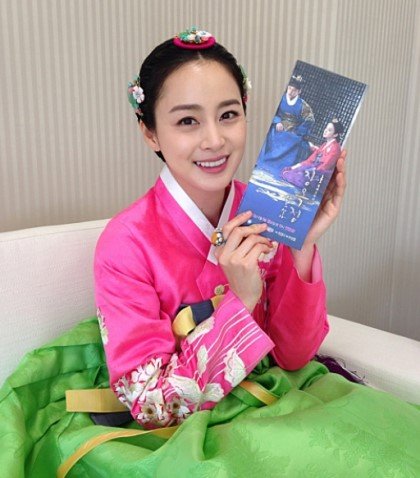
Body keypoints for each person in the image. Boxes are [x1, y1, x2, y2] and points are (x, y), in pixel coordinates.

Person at [90, 27, 420, 477]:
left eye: (228, 115)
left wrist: (302, 245)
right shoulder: (126, 242)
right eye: (187, 121)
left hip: (282, 400)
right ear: (150, 132)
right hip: (192, 435)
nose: (214, 140)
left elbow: (294, 356)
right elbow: (153, 408)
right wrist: (242, 301)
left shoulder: (267, 206)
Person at [262, 74, 315, 167]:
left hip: (292, 130)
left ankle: (282, 164)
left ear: (299, 91)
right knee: (269, 133)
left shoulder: (303, 105)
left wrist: (298, 131)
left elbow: (310, 119)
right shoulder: (280, 98)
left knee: (292, 139)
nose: (290, 92)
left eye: (294, 90)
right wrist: (277, 121)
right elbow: (270, 110)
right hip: (277, 126)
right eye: (289, 88)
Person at [282, 118, 343, 190]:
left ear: (335, 134)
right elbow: (310, 160)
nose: (325, 131)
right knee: (288, 171)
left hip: (320, 175)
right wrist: (294, 167)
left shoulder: (335, 148)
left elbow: (325, 166)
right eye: (326, 128)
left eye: (329, 130)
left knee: (297, 177)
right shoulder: (325, 144)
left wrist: (309, 172)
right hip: (313, 169)